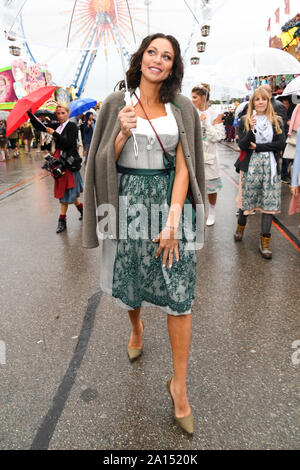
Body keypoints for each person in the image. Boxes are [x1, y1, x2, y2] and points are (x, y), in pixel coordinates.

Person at [83, 33, 206, 435]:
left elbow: (186, 166)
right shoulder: (114, 104)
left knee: (180, 294)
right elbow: (101, 162)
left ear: (173, 66)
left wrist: (173, 222)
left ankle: (180, 388)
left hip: (171, 205)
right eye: (152, 52)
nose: (158, 60)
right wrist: (119, 133)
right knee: (131, 283)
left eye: (166, 55)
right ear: (141, 58)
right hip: (128, 206)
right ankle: (136, 327)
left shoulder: (183, 107)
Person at [234, 87, 285, 259]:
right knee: (246, 201)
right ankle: (240, 226)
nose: (261, 102)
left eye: (264, 99)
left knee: (268, 206)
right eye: (257, 99)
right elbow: (242, 145)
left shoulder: (276, 120)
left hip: (270, 167)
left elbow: (281, 144)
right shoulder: (245, 120)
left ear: (268, 101)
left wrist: (260, 147)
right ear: (253, 102)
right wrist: (250, 130)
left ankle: (265, 242)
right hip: (251, 166)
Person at [30, 103, 84, 233]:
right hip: (59, 161)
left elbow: (70, 144)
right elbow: (39, 126)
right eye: (58, 113)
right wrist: (30, 114)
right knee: (69, 193)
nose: (60, 116)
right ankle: (83, 211)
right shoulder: (57, 126)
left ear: (68, 113)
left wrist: (55, 134)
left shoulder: (72, 126)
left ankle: (62, 220)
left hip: (68, 163)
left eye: (63, 113)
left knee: (65, 192)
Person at [191, 84, 224, 226]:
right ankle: (197, 212)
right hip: (195, 156)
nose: (192, 100)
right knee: (194, 186)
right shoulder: (192, 112)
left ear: (203, 98)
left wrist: (206, 123)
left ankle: (212, 211)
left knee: (211, 188)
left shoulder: (216, 114)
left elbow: (218, 136)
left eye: (195, 97)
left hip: (210, 157)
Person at [279, 95, 296, 183]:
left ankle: (287, 173)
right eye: (284, 103)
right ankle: (283, 175)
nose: (286, 105)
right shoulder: (280, 112)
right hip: (283, 136)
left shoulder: (292, 111)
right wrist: (287, 122)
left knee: (290, 157)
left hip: (291, 136)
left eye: (287, 103)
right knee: (285, 157)